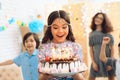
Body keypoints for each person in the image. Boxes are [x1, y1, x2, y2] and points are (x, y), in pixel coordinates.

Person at [38, 10, 85, 80]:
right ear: (50, 29)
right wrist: (44, 76)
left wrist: (77, 75)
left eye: (64, 27)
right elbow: (41, 75)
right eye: (55, 28)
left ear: (69, 27)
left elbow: (81, 75)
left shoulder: (76, 47)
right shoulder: (43, 48)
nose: (60, 31)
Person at [89, 12, 115, 80]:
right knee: (91, 77)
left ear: (104, 21)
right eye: (97, 17)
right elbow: (91, 49)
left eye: (101, 18)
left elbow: (112, 49)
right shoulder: (91, 34)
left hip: (106, 59)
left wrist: (110, 62)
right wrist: (93, 62)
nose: (98, 19)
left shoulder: (107, 33)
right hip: (96, 60)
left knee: (111, 78)